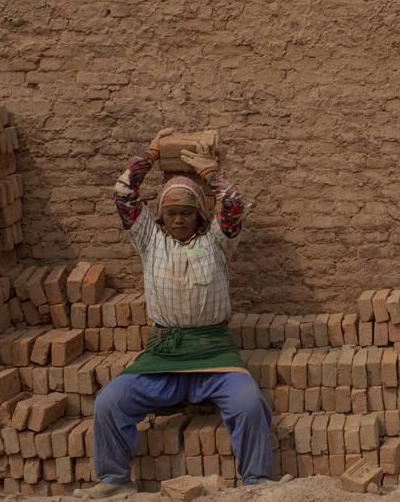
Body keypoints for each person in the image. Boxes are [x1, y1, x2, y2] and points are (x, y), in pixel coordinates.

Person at [73, 130, 273, 498]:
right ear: (161, 217)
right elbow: (123, 194)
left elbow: (233, 205)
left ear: (199, 216)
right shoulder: (149, 240)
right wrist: (149, 155)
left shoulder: (216, 241)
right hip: (164, 355)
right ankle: (115, 478)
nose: (179, 220)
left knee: (248, 403)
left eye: (186, 213)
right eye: (171, 213)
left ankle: (256, 482)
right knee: (109, 402)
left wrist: (212, 174)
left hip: (214, 353)